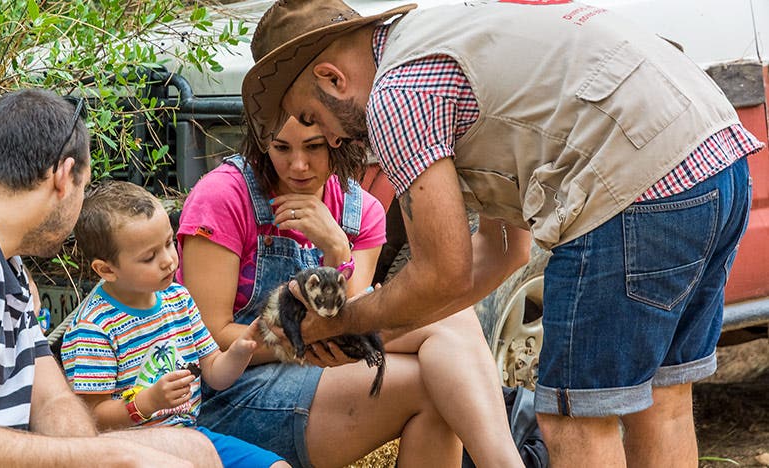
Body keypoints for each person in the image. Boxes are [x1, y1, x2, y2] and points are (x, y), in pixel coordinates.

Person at [240, 1, 765, 467]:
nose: (327, 137)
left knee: (576, 419)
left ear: (333, 78)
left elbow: (440, 274)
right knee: (663, 400)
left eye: (312, 117)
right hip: (718, 156)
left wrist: (339, 323)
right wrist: (375, 329)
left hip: (635, 182)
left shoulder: (397, 96)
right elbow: (505, 250)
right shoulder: (446, 35)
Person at [0, 88, 219, 468]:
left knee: (194, 449)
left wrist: (98, 457)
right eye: (84, 187)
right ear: (63, 176)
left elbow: (51, 400)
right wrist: (115, 455)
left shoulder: (3, 255)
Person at [178, 115, 520, 467]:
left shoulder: (361, 211)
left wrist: (338, 249)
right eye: (281, 148)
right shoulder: (224, 196)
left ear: (338, 141)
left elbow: (347, 327)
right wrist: (304, 339)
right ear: (263, 144)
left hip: (312, 371)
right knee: (441, 362)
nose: (297, 165)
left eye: (313, 147)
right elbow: (211, 339)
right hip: (226, 391)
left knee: (446, 359)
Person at [61, 180, 289, 468]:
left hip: (191, 435)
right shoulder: (93, 328)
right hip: (130, 449)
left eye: (169, 243)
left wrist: (242, 349)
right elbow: (91, 416)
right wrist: (146, 403)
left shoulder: (177, 297)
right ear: (106, 269)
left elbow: (215, 373)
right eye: (149, 257)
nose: (169, 261)